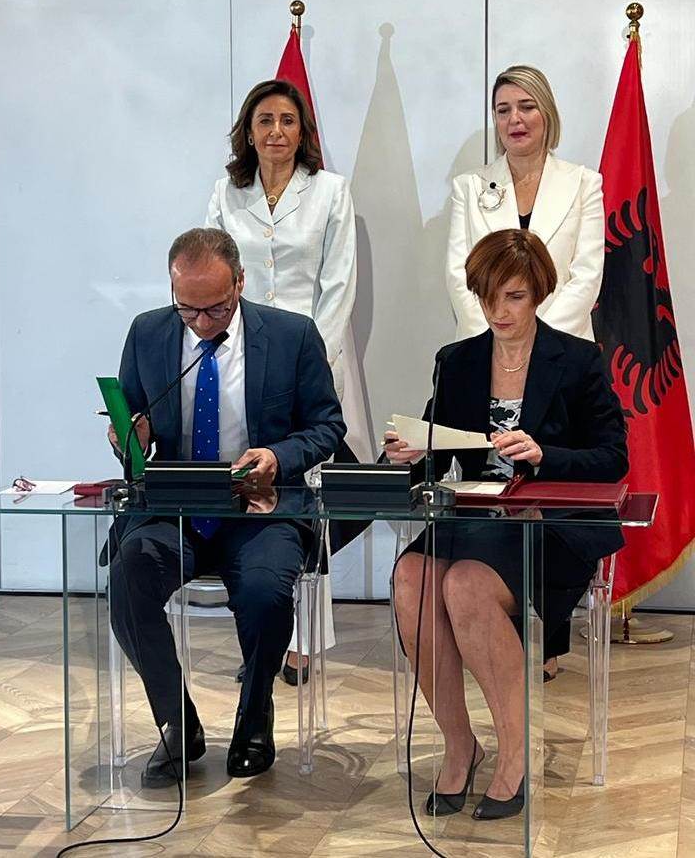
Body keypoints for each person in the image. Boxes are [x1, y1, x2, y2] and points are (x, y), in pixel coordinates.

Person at [387, 229, 627, 820]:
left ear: (538, 293)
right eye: (488, 296)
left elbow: (613, 457)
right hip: (473, 519)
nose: (499, 311)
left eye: (514, 297)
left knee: (465, 584)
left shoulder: (577, 361)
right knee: (411, 579)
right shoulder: (457, 361)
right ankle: (460, 745)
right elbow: (438, 448)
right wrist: (411, 452)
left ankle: (515, 754)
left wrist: (545, 454)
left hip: (547, 525)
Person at [108, 227, 345, 785]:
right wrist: (129, 437)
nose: (201, 323)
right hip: (177, 507)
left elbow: (328, 426)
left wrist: (279, 456)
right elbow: (130, 420)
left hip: (262, 504)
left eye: (214, 309)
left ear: (239, 282)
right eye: (187, 309)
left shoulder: (291, 335)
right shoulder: (147, 333)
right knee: (128, 576)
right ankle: (177, 721)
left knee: (265, 592)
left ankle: (255, 712)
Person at [445, 64, 605, 677]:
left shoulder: (583, 183)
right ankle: (493, 626)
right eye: (503, 108)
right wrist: (499, 332)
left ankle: (551, 637)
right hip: (491, 351)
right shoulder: (471, 187)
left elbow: (586, 273)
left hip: (561, 360)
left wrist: (538, 336)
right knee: (490, 483)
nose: (515, 119)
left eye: (527, 107)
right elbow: (461, 276)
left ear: (547, 113)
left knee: (549, 484)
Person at [206, 78, 357, 684]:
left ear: (303, 131)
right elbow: (211, 270)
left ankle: (304, 645)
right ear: (249, 131)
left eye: (287, 121)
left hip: (306, 361)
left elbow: (338, 283)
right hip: (239, 362)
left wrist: (311, 362)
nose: (276, 132)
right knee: (250, 495)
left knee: (306, 500)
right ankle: (258, 640)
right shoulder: (226, 193)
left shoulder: (331, 192)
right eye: (265, 120)